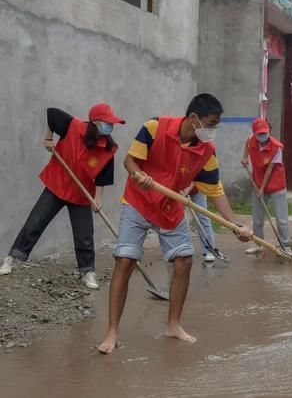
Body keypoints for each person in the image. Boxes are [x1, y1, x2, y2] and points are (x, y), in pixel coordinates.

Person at [97, 94, 252, 354]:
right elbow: (129, 161)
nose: (212, 130)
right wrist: (139, 175)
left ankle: (173, 325)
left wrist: (235, 224)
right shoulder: (154, 127)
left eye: (216, 125)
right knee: (125, 259)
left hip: (171, 207)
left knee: (184, 260)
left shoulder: (207, 153)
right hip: (139, 201)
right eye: (211, 123)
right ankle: (112, 333)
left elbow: (216, 192)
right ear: (194, 118)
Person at [0, 104, 125, 290]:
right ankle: (11, 258)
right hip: (57, 185)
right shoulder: (72, 126)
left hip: (82, 194)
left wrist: (97, 200)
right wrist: (48, 138)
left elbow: (102, 178)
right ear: (96, 122)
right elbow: (51, 113)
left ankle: (87, 271)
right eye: (108, 123)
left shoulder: (108, 148)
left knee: (84, 235)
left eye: (112, 124)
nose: (110, 128)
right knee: (35, 222)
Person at [241, 118, 290, 254]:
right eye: (259, 133)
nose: (262, 135)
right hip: (257, 182)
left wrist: (262, 189)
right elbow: (248, 141)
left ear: (269, 131)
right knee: (257, 218)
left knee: (281, 219)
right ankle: (259, 244)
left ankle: (285, 246)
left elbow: (269, 170)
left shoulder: (277, 147)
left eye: (265, 132)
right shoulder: (251, 140)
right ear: (255, 134)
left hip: (276, 185)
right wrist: (245, 157)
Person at [182, 152, 227, 263]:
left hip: (199, 186)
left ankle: (209, 250)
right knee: (179, 218)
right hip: (179, 185)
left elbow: (198, 174)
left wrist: (188, 188)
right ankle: (180, 251)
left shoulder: (204, 150)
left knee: (202, 216)